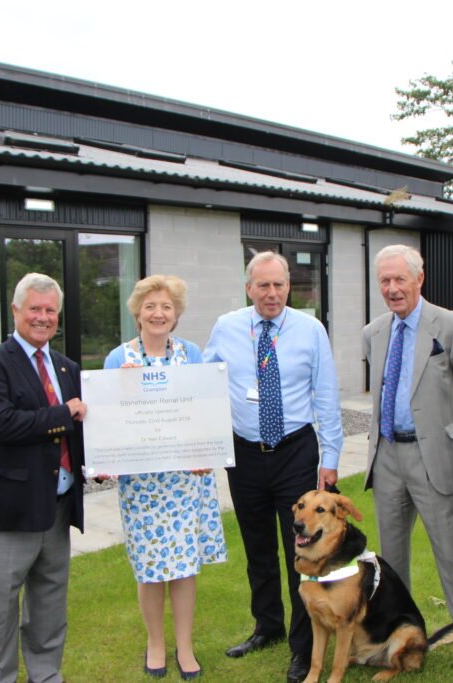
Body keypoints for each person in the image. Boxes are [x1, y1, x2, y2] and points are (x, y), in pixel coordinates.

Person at [203, 251, 343, 683]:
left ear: (289, 286)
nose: (272, 293)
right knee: (258, 548)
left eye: (279, 284)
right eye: (263, 285)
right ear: (249, 288)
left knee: (299, 551)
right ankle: (267, 627)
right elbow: (204, 383)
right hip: (243, 454)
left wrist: (331, 459)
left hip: (294, 452)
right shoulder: (227, 327)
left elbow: (326, 393)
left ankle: (303, 649)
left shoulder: (310, 329)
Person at [361, 244, 453, 676]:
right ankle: (398, 641)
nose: (392, 288)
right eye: (384, 280)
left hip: (433, 456)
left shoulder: (452, 326)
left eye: (400, 279)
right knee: (390, 564)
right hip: (387, 457)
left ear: (420, 278)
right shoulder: (374, 331)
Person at [102, 274, 227, 681]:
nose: (159, 313)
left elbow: (205, 409)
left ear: (176, 315)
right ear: (138, 312)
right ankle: (156, 643)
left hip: (186, 479)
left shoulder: (191, 353)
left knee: (185, 566)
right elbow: (107, 421)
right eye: (151, 306)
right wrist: (106, 458)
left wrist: (206, 452)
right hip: (142, 485)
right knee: (150, 567)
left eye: (167, 307)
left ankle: (185, 645)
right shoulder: (118, 359)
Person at [0, 272, 87, 683]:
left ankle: (45, 674)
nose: (43, 317)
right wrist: (62, 414)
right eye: (34, 308)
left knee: (49, 603)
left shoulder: (67, 367)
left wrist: (101, 461)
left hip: (57, 508)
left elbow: (80, 430)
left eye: (50, 310)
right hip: (9, 512)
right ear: (16, 310)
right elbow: (1, 424)